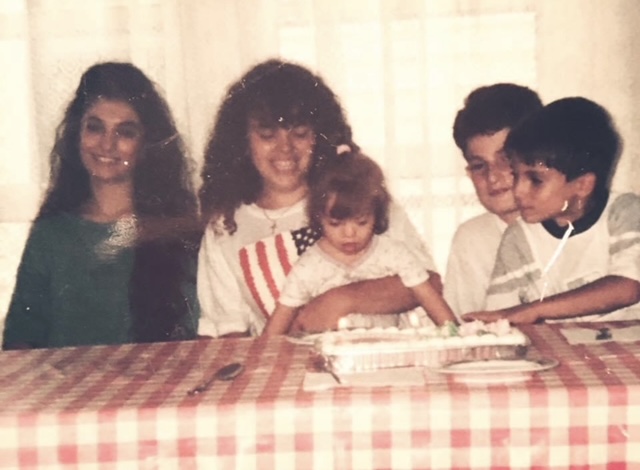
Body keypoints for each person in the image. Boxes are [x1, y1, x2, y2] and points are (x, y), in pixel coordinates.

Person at [197, 59, 441, 338]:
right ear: (242, 141)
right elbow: (226, 332)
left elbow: (431, 284)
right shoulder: (225, 228)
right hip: (281, 362)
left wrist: (341, 300)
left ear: (320, 136)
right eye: (267, 135)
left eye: (300, 134)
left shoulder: (358, 196)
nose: (285, 148)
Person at [3, 62, 201, 349]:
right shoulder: (51, 234)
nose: (107, 145)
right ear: (77, 134)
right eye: (95, 128)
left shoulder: (173, 230)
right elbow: (19, 341)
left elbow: (191, 337)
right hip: (61, 379)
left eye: (125, 132)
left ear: (147, 144)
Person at [464, 97, 640, 324]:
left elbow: (629, 286)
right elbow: (503, 314)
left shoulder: (624, 212)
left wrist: (536, 310)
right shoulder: (519, 238)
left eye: (536, 180)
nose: (518, 191)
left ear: (583, 185)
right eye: (516, 175)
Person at [264, 150, 457, 335]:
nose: (349, 234)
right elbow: (277, 326)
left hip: (385, 349)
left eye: (362, 222)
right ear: (318, 218)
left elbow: (430, 299)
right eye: (335, 224)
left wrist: (456, 337)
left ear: (377, 215)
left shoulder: (393, 253)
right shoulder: (308, 266)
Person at [444, 84, 543, 317]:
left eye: (505, 160)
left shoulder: (569, 223)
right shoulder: (471, 239)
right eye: (479, 166)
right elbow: (464, 322)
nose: (492, 177)